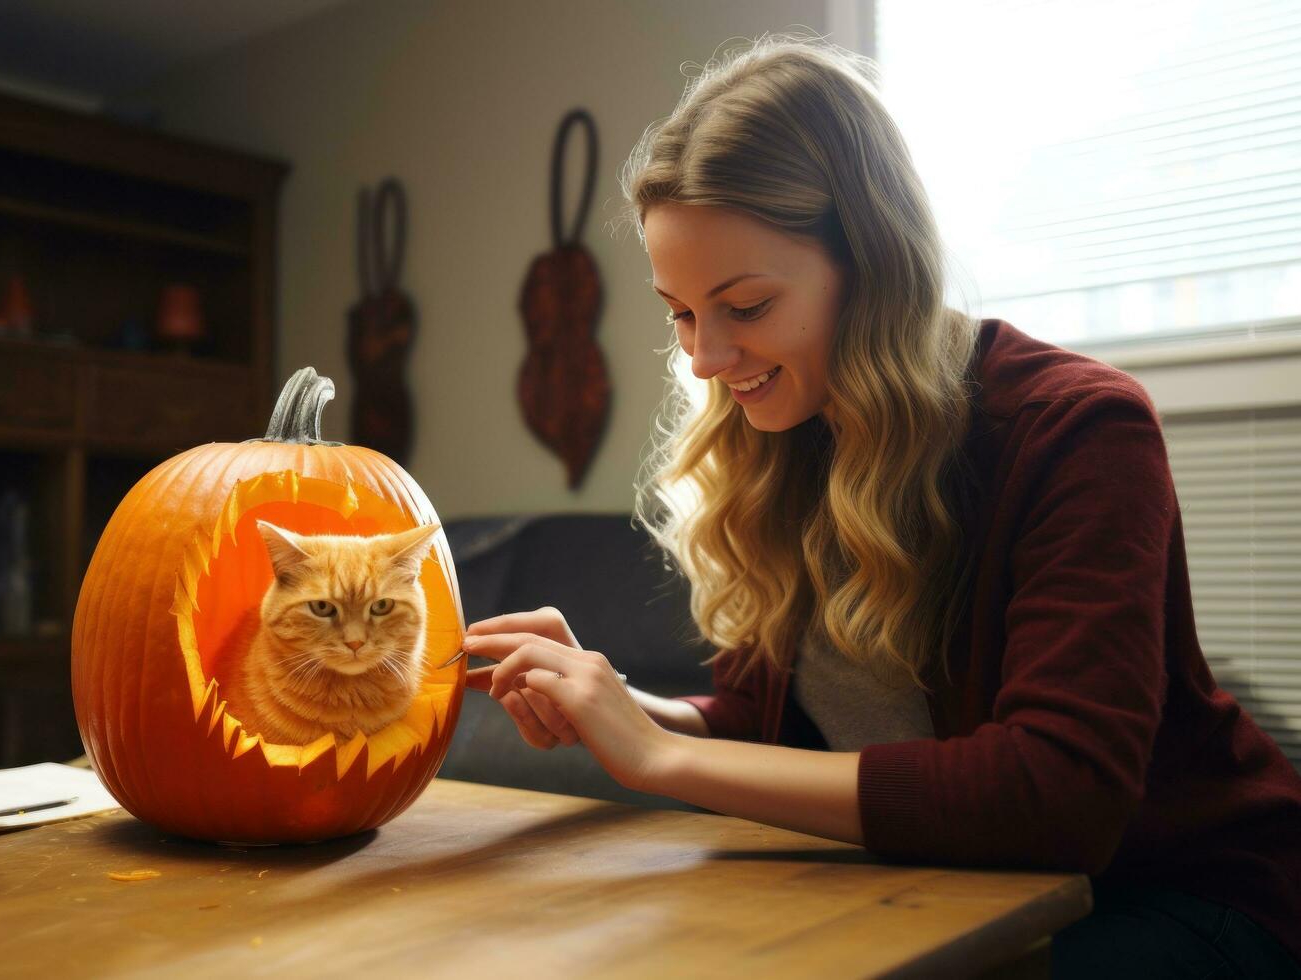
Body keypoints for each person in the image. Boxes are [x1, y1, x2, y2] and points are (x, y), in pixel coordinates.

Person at [460, 34, 1301, 977]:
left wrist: (662, 764)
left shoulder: (1079, 428)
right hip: (950, 880)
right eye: (681, 311)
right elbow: (769, 719)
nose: (702, 357)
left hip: (1189, 897)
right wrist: (622, 708)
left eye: (744, 305)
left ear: (870, 266)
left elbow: (1058, 796)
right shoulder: (782, 428)